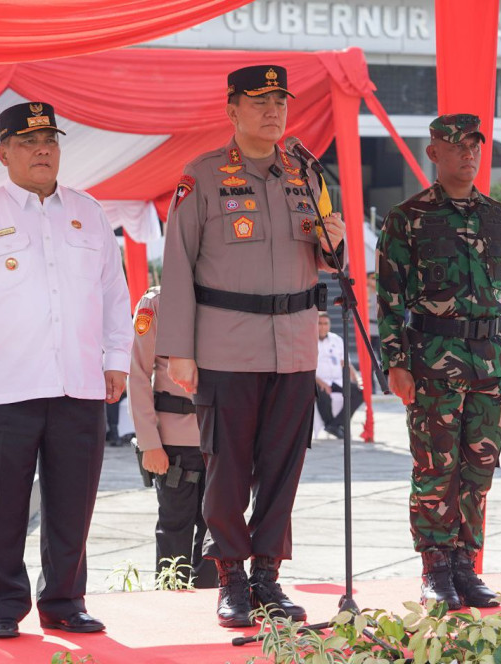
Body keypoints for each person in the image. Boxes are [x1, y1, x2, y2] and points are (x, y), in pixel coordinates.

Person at [156, 65, 346, 628]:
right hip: (225, 346)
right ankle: (232, 578)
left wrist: (334, 241)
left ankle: (267, 576)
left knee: (284, 466)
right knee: (228, 467)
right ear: (232, 109)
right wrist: (177, 350)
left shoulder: (306, 177)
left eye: (280, 101)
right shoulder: (205, 176)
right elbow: (178, 264)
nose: (273, 111)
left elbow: (323, 258)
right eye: (259, 101)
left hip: (292, 347)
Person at [0, 101, 132, 639]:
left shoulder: (89, 211)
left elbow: (114, 294)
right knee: (1, 503)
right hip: (5, 384)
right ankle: (1, 603)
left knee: (73, 501)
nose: (43, 148)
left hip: (79, 381)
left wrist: (116, 359)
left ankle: (65, 600)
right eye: (28, 142)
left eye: (50, 139)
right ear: (4, 153)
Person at [376, 114, 501, 610]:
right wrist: (395, 361)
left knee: (478, 467)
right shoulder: (409, 218)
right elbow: (389, 298)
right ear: (433, 153)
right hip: (432, 362)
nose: (468, 154)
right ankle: (435, 567)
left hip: (490, 361)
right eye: (456, 145)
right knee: (434, 466)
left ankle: (466, 564)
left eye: (474, 145)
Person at [127, 286, 218, 590]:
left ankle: (212, 603)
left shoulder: (225, 294)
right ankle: (171, 603)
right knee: (174, 529)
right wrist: (149, 442)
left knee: (217, 532)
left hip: (219, 436)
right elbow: (138, 374)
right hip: (173, 442)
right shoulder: (157, 302)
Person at [314, 312, 363, 439]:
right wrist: (321, 382)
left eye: (325, 324)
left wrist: (357, 378)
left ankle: (335, 425)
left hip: (337, 381)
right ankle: (332, 425)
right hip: (317, 381)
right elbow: (306, 368)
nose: (322, 327)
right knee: (322, 396)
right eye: (319, 323)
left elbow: (346, 363)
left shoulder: (337, 340)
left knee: (359, 392)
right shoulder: (309, 341)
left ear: (329, 325)